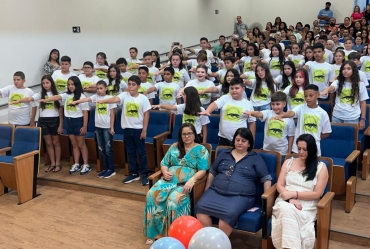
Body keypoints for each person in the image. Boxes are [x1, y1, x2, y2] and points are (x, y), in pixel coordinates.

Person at [196, 127, 272, 236]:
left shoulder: (256, 158)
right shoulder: (224, 154)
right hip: (216, 192)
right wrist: (207, 189)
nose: (240, 143)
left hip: (241, 196)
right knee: (200, 208)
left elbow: (266, 179)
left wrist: (266, 200)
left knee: (226, 217)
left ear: (249, 144)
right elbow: (212, 171)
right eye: (237, 140)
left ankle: (220, 244)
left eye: (243, 141)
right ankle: (208, 239)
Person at [144, 123, 209, 245]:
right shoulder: (174, 147)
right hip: (168, 181)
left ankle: (174, 235)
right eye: (184, 134)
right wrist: (164, 171)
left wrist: (192, 179)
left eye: (189, 133)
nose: (187, 136)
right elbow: (164, 162)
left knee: (173, 201)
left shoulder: (201, 150)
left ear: (194, 134)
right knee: (152, 195)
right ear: (180, 136)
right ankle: (154, 233)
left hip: (186, 183)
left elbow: (203, 170)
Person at [271, 134, 329, 249]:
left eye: (305, 149)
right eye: (299, 148)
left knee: (287, 212)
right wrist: (290, 198)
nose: (301, 152)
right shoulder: (288, 162)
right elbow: (280, 185)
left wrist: (294, 194)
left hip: (307, 206)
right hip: (286, 201)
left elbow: (317, 194)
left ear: (311, 150)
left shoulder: (321, 167)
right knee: (285, 208)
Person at [94, 75, 151, 186]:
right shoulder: (124, 95)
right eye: (129, 84)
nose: (130, 87)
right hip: (127, 129)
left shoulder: (143, 98)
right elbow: (116, 99)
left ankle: (144, 174)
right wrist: (104, 101)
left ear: (138, 86)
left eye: (133, 85)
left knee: (141, 153)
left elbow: (146, 115)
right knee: (130, 152)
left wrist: (144, 130)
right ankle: (134, 173)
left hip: (138, 130)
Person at [9, 75, 63, 172]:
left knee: (56, 142)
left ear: (51, 83)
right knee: (48, 143)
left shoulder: (57, 95)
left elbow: (60, 111)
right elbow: (29, 99)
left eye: (47, 83)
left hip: (54, 120)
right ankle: (52, 163)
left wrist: (60, 125)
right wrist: (19, 100)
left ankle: (58, 164)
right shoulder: (39, 94)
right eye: (43, 83)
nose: (45, 85)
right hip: (43, 120)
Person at [39, 76, 91, 174]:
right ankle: (76, 163)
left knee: (81, 144)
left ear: (77, 85)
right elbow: (57, 97)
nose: (70, 86)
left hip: (78, 121)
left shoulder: (82, 97)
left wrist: (84, 126)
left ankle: (86, 164)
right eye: (69, 84)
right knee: (74, 144)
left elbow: (85, 113)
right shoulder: (66, 95)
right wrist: (46, 100)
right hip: (69, 121)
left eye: (72, 84)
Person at [69, 80, 117, 178]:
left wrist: (112, 127)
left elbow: (112, 114)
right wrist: (76, 101)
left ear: (106, 89)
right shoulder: (95, 97)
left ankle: (111, 169)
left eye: (101, 88)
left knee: (108, 149)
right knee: (101, 149)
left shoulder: (110, 98)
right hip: (98, 127)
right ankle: (105, 168)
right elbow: (85, 100)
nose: (99, 91)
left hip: (107, 127)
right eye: (97, 88)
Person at [274, 84, 332, 156]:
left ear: (318, 95)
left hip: (313, 149)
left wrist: (314, 137)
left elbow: (326, 133)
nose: (307, 98)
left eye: (311, 95)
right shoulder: (301, 108)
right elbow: (292, 113)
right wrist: (282, 115)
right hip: (297, 148)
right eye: (305, 96)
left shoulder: (323, 113)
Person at [199, 77, 256, 146]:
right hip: (223, 138)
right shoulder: (225, 98)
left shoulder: (248, 104)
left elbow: (252, 122)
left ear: (243, 89)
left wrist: (251, 140)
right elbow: (215, 104)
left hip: (240, 140)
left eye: (237, 88)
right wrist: (207, 111)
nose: (234, 90)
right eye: (231, 88)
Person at [244, 92, 295, 156]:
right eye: (273, 104)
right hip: (267, 150)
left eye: (278, 104)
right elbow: (259, 113)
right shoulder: (268, 113)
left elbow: (291, 136)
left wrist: (289, 152)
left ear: (284, 104)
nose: (275, 107)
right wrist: (251, 112)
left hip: (282, 152)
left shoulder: (289, 119)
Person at [321, 61, 368, 129]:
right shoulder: (337, 82)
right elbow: (332, 87)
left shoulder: (360, 84)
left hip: (352, 118)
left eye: (348, 69)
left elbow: (363, 103)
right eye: (344, 69)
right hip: (337, 116)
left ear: (354, 71)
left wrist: (363, 119)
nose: (345, 71)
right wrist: (326, 90)